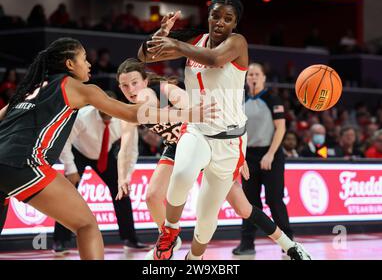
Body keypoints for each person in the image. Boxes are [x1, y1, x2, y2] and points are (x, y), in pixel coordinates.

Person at [0, 37, 213, 259]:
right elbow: (132, 114)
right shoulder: (77, 88)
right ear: (70, 64)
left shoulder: (30, 87)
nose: (89, 64)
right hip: (23, 161)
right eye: (83, 59)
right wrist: (189, 114)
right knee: (87, 226)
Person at [138, 0, 311, 260]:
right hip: (196, 130)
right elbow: (144, 56)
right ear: (208, 17)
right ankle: (169, 231)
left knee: (207, 221)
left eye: (227, 18)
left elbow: (214, 59)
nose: (220, 22)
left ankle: (194, 259)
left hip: (229, 141)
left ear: (234, 24)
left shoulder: (236, 43)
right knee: (182, 175)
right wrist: (160, 33)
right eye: (215, 15)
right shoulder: (194, 41)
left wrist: (174, 43)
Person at [117, 58, 311, 260]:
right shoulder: (129, 111)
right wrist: (123, 177)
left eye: (134, 82)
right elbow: (126, 147)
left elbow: (200, 114)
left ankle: (290, 245)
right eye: (124, 85)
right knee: (152, 196)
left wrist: (236, 150)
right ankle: (169, 240)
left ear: (146, 81)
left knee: (243, 208)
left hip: (207, 141)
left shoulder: (165, 91)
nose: (130, 89)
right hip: (177, 147)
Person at [53, 90, 148, 255]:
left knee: (122, 191)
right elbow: (64, 141)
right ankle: (60, 241)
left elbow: (131, 150)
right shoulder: (83, 116)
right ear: (98, 104)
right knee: (67, 195)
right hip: (78, 153)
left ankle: (130, 239)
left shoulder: (124, 119)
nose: (106, 109)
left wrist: (126, 176)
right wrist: (71, 169)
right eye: (103, 104)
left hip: (104, 154)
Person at [232, 63, 294, 255]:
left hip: (271, 154)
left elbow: (281, 128)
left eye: (257, 74)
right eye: (250, 74)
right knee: (249, 202)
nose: (253, 77)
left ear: (264, 78)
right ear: (246, 78)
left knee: (274, 199)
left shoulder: (273, 99)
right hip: (248, 156)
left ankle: (289, 243)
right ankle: (247, 243)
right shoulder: (239, 100)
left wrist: (270, 154)